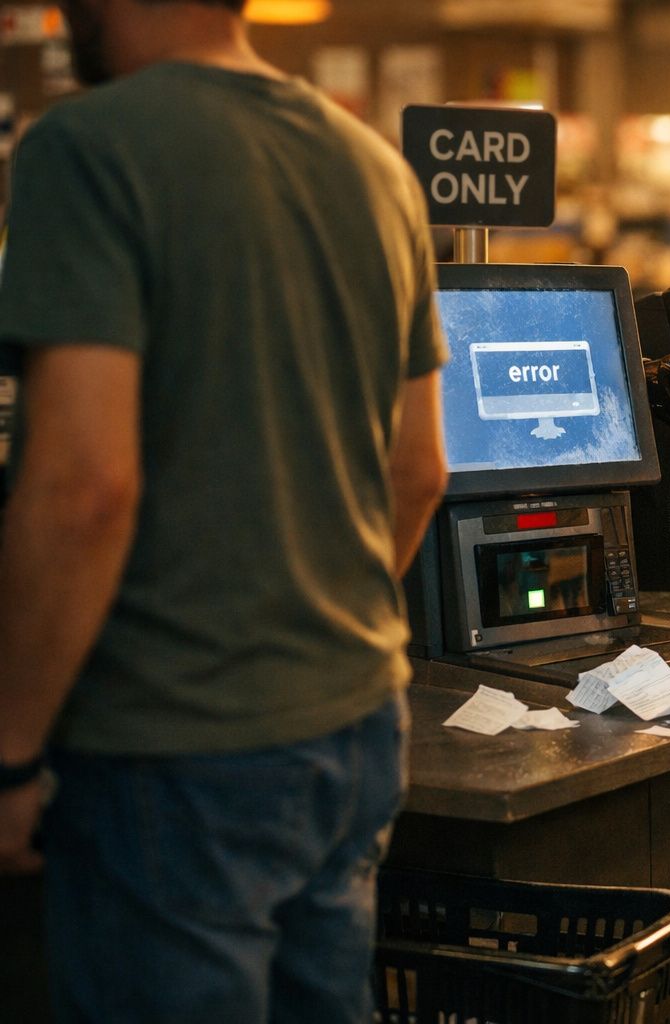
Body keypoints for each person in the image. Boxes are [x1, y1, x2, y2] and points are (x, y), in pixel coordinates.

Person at [0, 0, 449, 1019]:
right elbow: (419, 467)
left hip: (171, 746)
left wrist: (10, 748)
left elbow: (82, 490)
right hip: (356, 721)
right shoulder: (377, 168)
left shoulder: (87, 145)